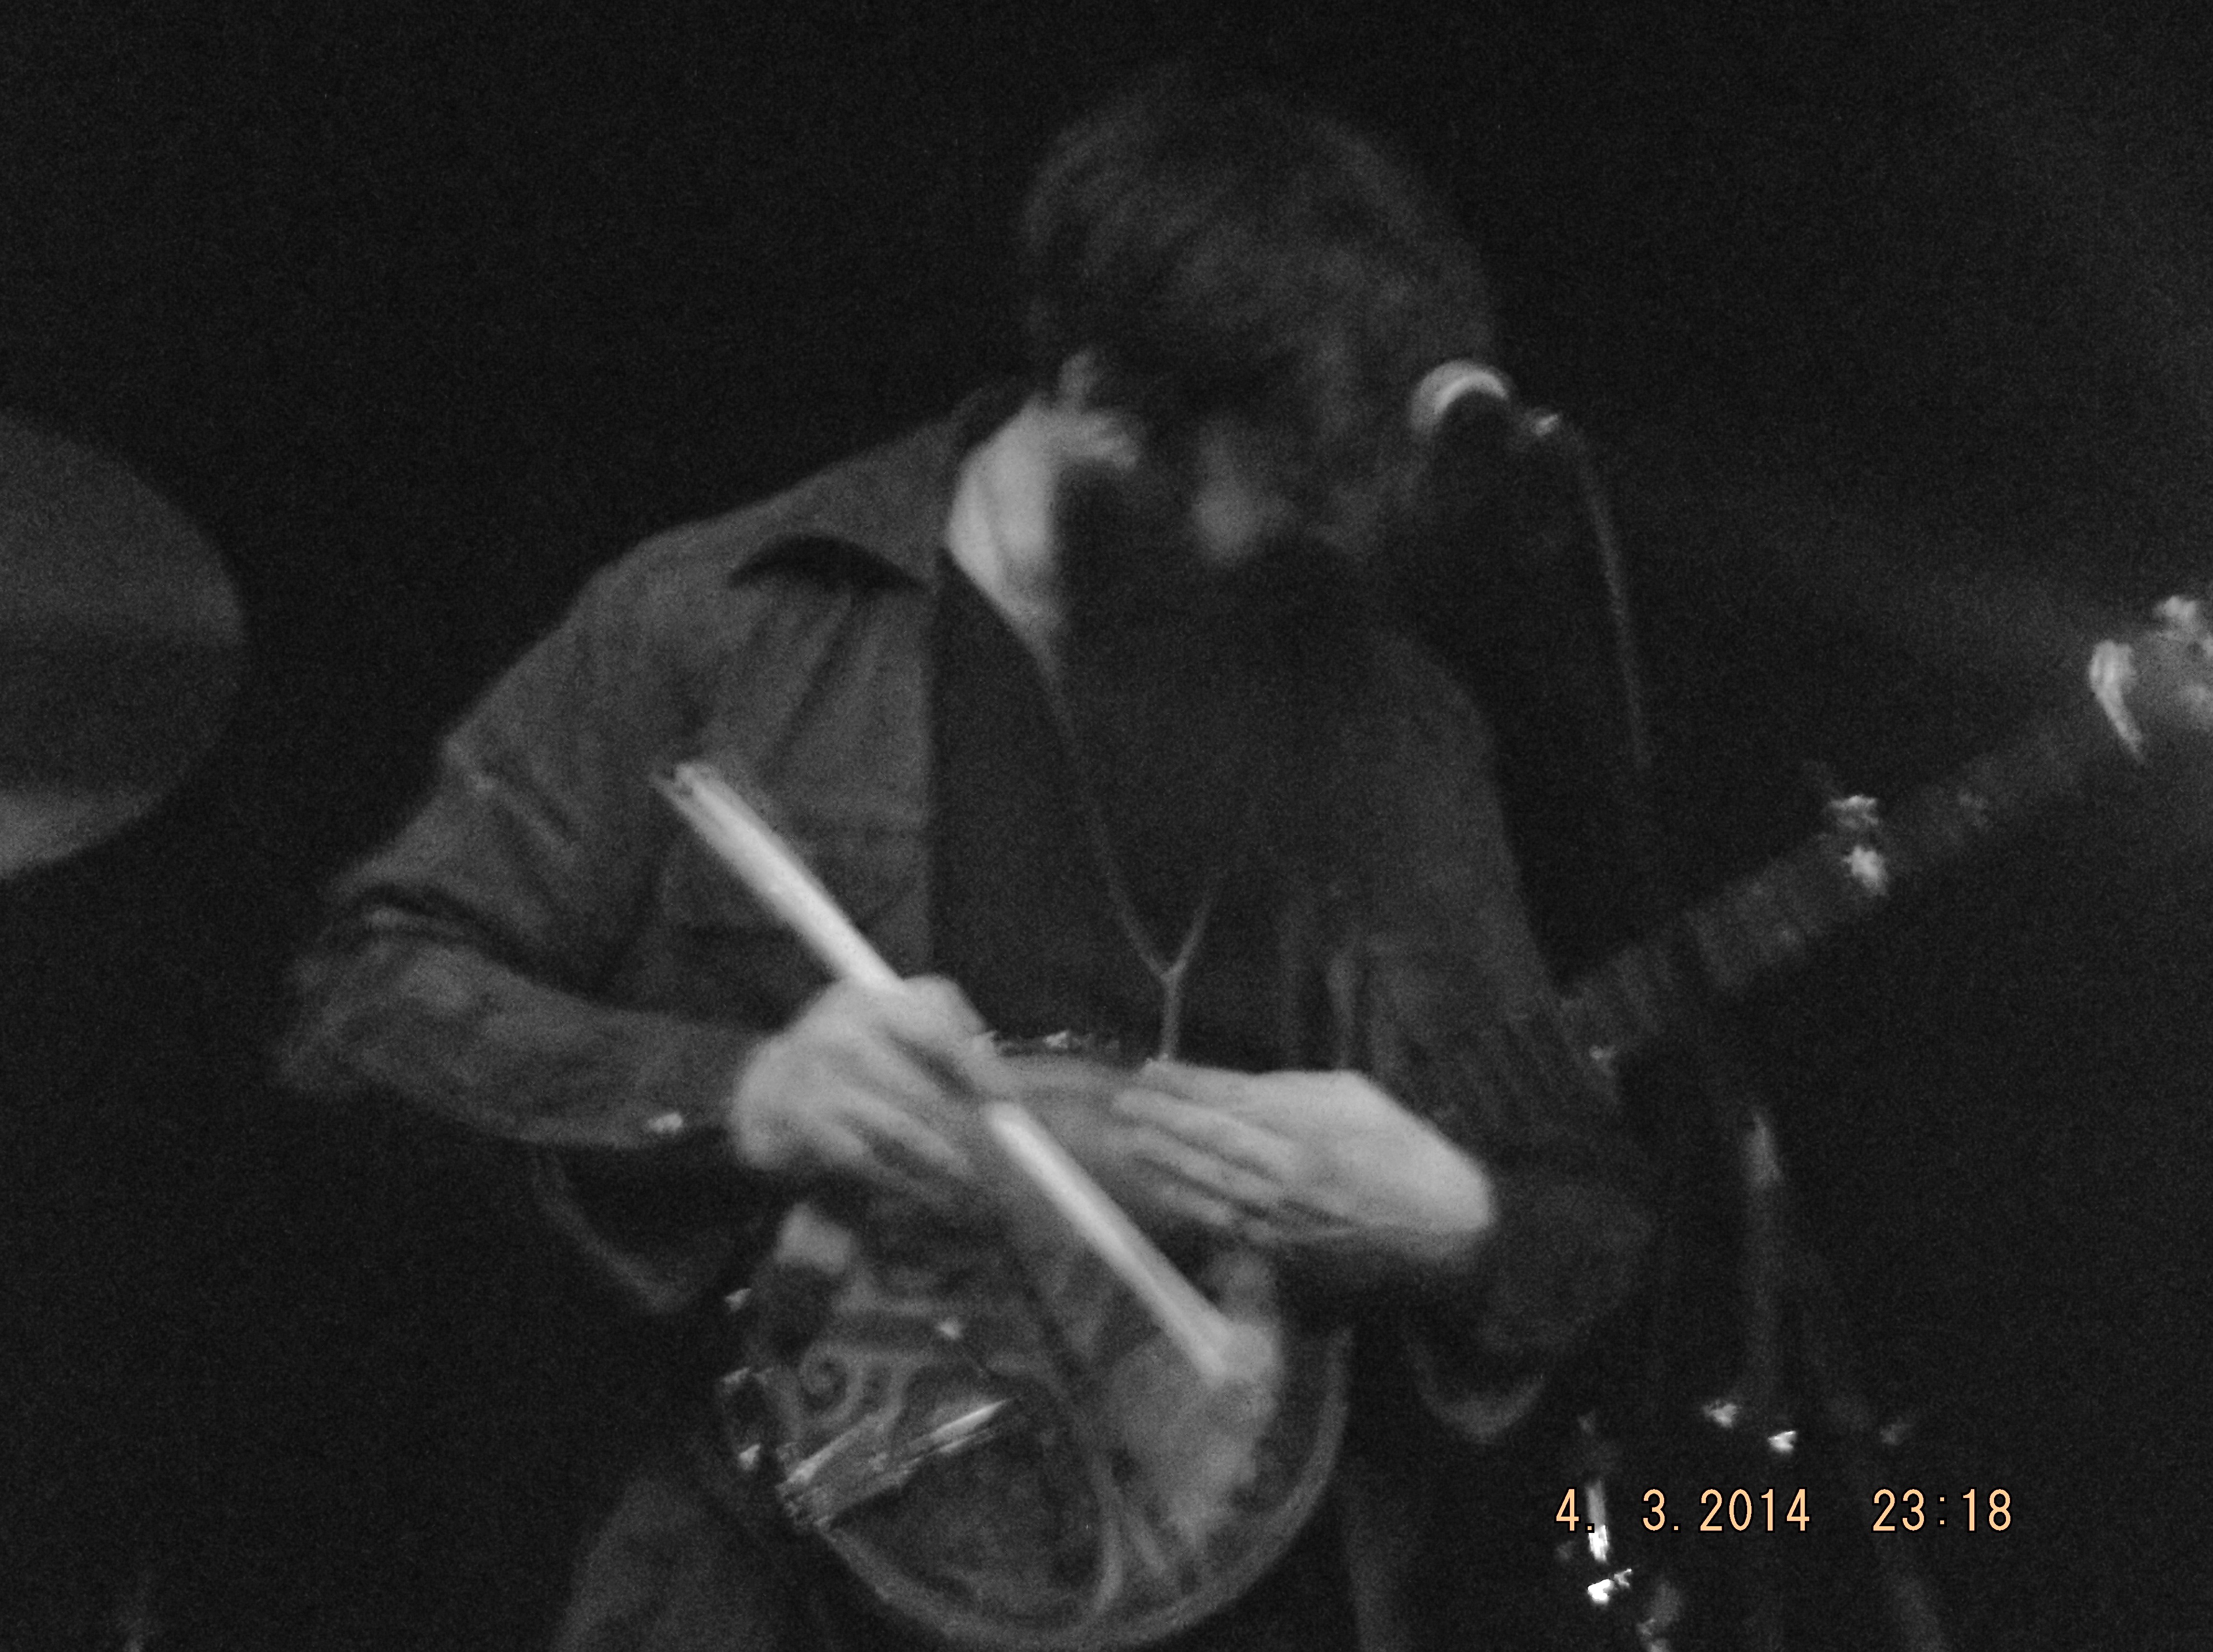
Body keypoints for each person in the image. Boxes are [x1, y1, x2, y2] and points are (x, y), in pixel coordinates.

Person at [281, 66, 1653, 1652]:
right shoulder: (721, 628)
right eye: (1269, 498)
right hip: (784, 1580)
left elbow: (1584, 1206)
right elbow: (363, 1007)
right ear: (1100, 398)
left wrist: (1458, 1220)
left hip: (1242, 1591)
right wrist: (743, 1091)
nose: (1311, 555)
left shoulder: (1384, 721)